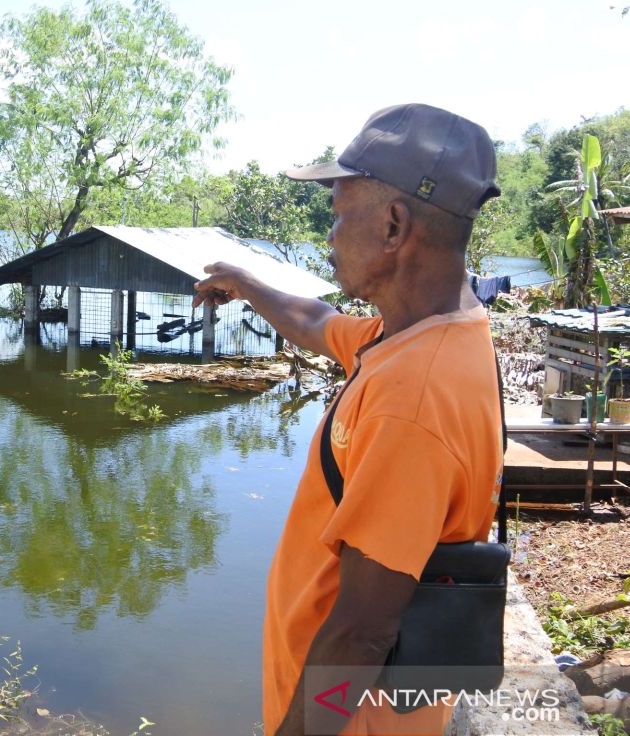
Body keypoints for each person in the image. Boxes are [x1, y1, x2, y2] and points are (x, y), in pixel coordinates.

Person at [193, 104, 505, 736]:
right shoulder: (426, 334)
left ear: (393, 226)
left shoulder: (411, 399)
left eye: (338, 216)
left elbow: (365, 634)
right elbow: (315, 322)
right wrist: (247, 283)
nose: (328, 235)